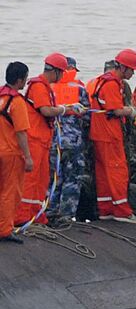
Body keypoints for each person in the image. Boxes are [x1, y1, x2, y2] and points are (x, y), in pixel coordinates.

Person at [86, 50, 136, 224]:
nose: (133, 73)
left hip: (99, 134)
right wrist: (131, 110)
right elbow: (116, 110)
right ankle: (121, 211)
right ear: (123, 67)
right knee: (118, 172)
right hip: (109, 136)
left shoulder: (102, 81)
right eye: (131, 70)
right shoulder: (111, 84)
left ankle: (106, 209)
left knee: (103, 173)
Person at [14, 53, 69, 226]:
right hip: (34, 140)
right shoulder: (38, 86)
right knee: (30, 180)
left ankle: (36, 214)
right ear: (57, 72)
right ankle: (22, 216)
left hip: (42, 141)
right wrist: (63, 109)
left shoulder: (45, 87)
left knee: (42, 179)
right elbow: (45, 110)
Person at [46, 57, 90, 228]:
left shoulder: (47, 87)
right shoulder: (79, 88)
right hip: (73, 142)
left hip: (52, 141)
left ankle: (49, 212)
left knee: (53, 178)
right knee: (73, 179)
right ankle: (66, 215)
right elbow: (87, 116)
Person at [0, 62, 32, 244]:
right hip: (10, 153)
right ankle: (4, 230)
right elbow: (21, 132)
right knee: (9, 192)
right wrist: (27, 157)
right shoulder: (17, 103)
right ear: (19, 80)